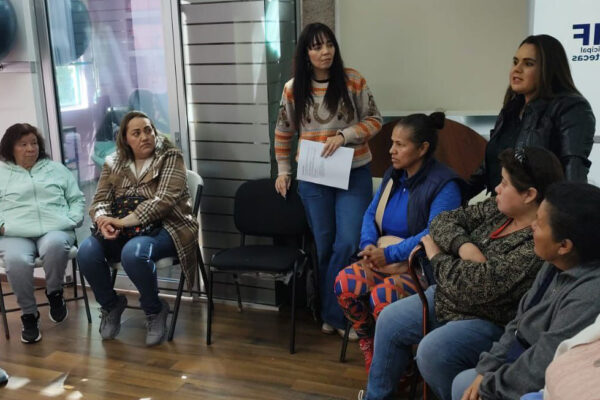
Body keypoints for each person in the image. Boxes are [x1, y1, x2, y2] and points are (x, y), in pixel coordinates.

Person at [360, 147, 565, 400]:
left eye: (504, 183)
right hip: (447, 296)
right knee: (389, 320)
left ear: (529, 195)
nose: (497, 189)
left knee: (432, 351)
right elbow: (441, 221)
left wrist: (436, 255)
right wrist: (464, 246)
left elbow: (476, 286)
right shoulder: (498, 210)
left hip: (488, 319)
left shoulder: (537, 244)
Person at [274, 22, 383, 334]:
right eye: (317, 46)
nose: (325, 52)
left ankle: (338, 315)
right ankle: (334, 312)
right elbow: (283, 130)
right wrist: (283, 170)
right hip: (314, 175)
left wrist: (346, 135)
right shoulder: (293, 88)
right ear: (306, 53)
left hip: (353, 171)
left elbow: (376, 120)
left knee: (348, 241)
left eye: (329, 45)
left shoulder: (353, 80)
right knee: (324, 245)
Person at [334, 112, 462, 371]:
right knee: (345, 283)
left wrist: (389, 254)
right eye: (392, 142)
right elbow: (371, 213)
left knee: (383, 297)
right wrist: (368, 245)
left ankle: (399, 366)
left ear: (422, 148)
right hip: (383, 256)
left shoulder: (445, 185)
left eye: (400, 144)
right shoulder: (394, 174)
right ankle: (372, 345)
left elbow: (434, 233)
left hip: (420, 267)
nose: (391, 150)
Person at [453, 182, 600, 400]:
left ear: (564, 246)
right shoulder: (554, 262)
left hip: (543, 381)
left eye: (539, 223)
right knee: (456, 373)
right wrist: (487, 368)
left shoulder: (588, 296)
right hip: (519, 355)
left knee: (461, 384)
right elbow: (518, 323)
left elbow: (543, 362)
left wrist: (489, 385)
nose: (531, 226)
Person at [77, 111, 198, 346]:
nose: (144, 137)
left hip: (168, 226)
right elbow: (99, 201)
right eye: (136, 133)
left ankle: (154, 309)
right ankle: (111, 305)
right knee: (86, 252)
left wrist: (122, 222)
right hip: (124, 229)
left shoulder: (171, 157)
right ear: (125, 139)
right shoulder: (113, 162)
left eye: (148, 130)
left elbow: (162, 202)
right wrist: (103, 222)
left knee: (133, 253)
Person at [467, 34, 595, 200]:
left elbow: (574, 173)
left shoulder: (572, 107)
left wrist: (557, 214)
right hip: (499, 203)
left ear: (548, 69)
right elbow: (491, 162)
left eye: (528, 64)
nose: (517, 69)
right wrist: (457, 192)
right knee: (443, 215)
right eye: (515, 62)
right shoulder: (511, 107)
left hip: (537, 207)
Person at [0, 123, 85, 343]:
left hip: (55, 228)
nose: (31, 148)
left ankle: (54, 293)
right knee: (16, 260)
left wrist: (73, 219)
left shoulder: (56, 169)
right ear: (10, 148)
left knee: (54, 245)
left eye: (34, 143)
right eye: (23, 144)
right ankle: (29, 314)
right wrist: (2, 226)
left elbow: (76, 198)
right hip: (14, 234)